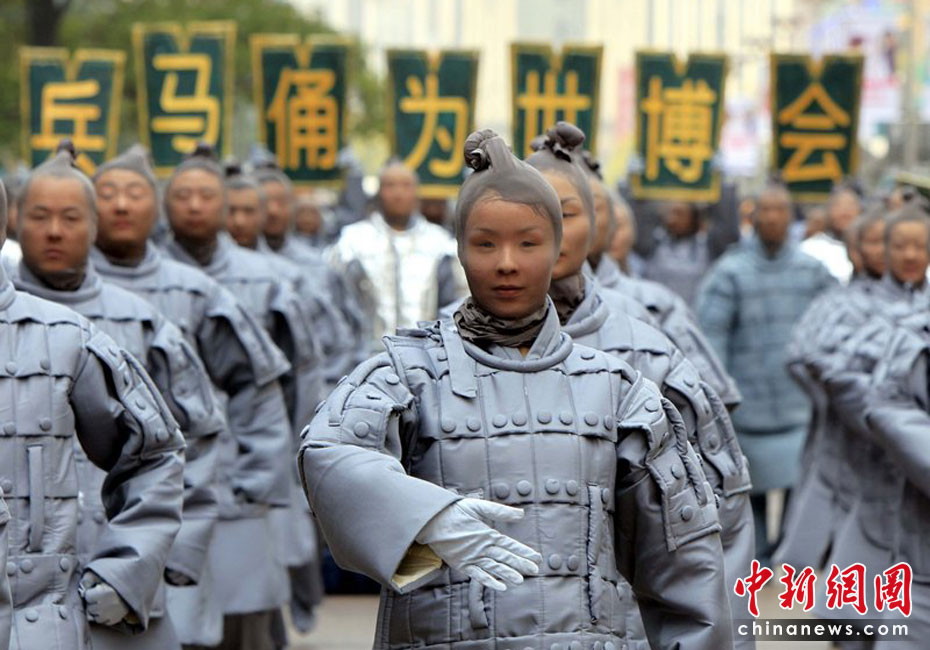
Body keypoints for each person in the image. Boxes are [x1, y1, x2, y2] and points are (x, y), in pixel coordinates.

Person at [300, 128, 732, 650]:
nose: (506, 262)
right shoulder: (409, 370)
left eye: (528, 243)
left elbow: (684, 567)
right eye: (485, 243)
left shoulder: (617, 389)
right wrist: (423, 517)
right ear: (460, 251)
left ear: (558, 248)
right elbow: (327, 451)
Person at [527, 123, 753, 649]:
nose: (551, 230)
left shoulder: (648, 327)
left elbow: (714, 496)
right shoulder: (446, 341)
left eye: (570, 212)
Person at [11, 147, 226, 650]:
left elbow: (193, 439)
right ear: (14, 222)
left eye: (70, 218)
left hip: (124, 586)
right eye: (39, 217)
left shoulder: (143, 320)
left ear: (94, 225)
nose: (54, 231)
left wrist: (158, 559)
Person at [90, 145, 294, 650]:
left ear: (152, 206)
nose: (121, 205)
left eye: (134, 193)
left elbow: (261, 388)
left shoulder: (197, 292)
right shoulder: (33, 302)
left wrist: (252, 483)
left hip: (190, 495)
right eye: (107, 194)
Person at [162, 147, 319, 650]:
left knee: (247, 615)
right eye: (183, 195)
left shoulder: (268, 278)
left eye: (207, 196)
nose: (194, 206)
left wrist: (286, 460)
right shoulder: (146, 281)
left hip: (248, 468)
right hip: (169, 473)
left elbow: (299, 376)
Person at [696, 180, 835, 563]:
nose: (772, 218)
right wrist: (720, 394)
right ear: (753, 216)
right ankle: (756, 562)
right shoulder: (730, 272)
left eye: (780, 210)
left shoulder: (813, 271)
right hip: (747, 412)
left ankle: (785, 561)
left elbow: (834, 327)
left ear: (790, 217)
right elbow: (711, 339)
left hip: (799, 410)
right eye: (765, 210)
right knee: (749, 500)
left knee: (797, 501)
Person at [777, 210, 886, 573]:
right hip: (843, 444)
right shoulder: (834, 303)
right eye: (875, 241)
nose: (885, 251)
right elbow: (799, 357)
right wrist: (838, 402)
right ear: (855, 250)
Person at [327, 159, 467, 350]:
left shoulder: (440, 244)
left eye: (406, 185)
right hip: (365, 358)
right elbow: (336, 308)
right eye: (390, 186)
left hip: (427, 358)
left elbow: (454, 309)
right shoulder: (352, 242)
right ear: (378, 192)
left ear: (416, 192)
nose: (398, 193)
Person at [253, 162, 367, 349]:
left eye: (281, 202)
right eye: (265, 203)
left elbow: (349, 334)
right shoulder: (232, 271)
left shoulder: (319, 268)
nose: (273, 211)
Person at [642, 200, 711, 305]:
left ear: (693, 217)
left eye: (679, 214)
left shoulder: (708, 245)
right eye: (669, 214)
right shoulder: (654, 242)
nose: (672, 219)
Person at [800, 184, 862, 283]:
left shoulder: (871, 248)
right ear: (828, 210)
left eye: (851, 205)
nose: (845, 211)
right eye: (838, 205)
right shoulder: (810, 248)